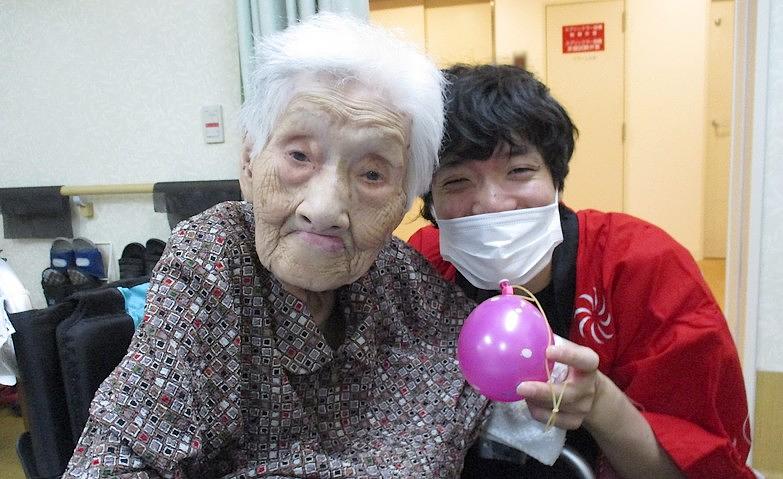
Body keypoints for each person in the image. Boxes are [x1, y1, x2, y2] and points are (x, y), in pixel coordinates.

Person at [62, 15, 488, 478]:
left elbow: (486, 365)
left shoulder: (401, 278)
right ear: (249, 161)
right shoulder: (214, 258)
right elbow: (114, 462)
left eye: (372, 174)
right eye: (299, 156)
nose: (324, 209)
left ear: (402, 201)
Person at [409, 64, 755, 478]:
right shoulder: (420, 270)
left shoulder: (642, 267)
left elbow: (700, 467)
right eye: (456, 181)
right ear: (429, 202)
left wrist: (599, 402)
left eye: (519, 171)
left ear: (555, 177)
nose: (493, 203)